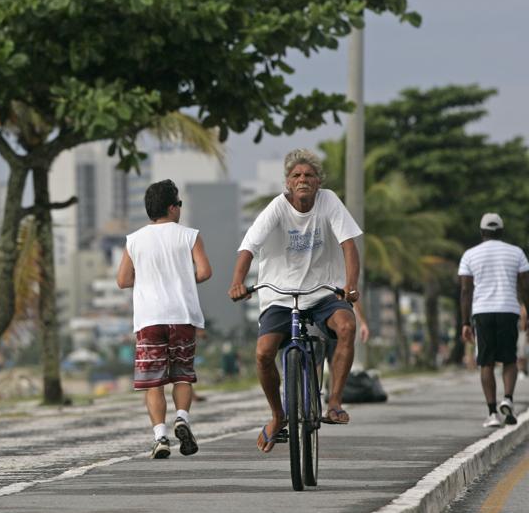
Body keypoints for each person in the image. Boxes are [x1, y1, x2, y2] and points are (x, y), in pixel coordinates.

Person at [228, 149, 361, 453]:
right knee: (263, 353)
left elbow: (349, 247)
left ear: (318, 181)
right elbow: (248, 247)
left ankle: (335, 402)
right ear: (288, 182)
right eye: (296, 176)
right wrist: (237, 282)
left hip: (323, 292)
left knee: (347, 327)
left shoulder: (329, 202)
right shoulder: (276, 208)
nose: (303, 180)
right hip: (280, 294)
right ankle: (278, 416)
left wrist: (350, 285)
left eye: (309, 175)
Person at [117, 179, 212, 459]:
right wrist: (182, 279)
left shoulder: (134, 240)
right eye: (179, 204)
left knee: (154, 383)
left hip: (149, 319)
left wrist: (147, 280)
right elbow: (205, 271)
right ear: (172, 208)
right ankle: (182, 417)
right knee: (182, 375)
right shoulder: (189, 235)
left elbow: (123, 280)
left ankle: (160, 436)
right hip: (182, 316)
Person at [458, 212, 529, 427]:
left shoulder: (470, 254)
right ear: (501, 231)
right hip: (509, 310)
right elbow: (525, 286)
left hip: (483, 312)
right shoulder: (517, 253)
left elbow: (465, 290)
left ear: (482, 232)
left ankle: (492, 413)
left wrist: (465, 322)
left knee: (486, 362)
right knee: (509, 359)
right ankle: (507, 398)